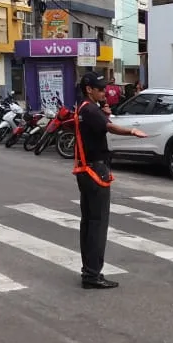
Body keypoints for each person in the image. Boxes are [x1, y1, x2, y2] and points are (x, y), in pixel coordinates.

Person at [73, 73, 147, 289]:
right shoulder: (90, 109)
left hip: (85, 171)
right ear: (89, 90)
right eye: (100, 89)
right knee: (97, 224)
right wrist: (131, 131)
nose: (104, 92)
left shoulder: (83, 108)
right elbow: (110, 128)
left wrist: (104, 113)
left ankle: (89, 271)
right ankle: (93, 275)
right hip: (95, 171)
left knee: (88, 222)